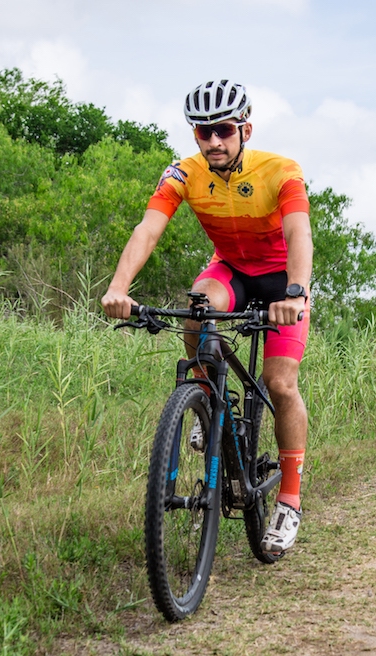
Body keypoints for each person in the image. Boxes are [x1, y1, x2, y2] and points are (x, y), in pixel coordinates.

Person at [101, 80, 312, 553]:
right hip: (231, 270)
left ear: (245, 129)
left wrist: (296, 293)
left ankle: (291, 498)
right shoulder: (182, 173)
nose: (213, 142)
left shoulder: (282, 171)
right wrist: (119, 288)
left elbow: (300, 232)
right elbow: (147, 229)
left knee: (279, 383)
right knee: (199, 301)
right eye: (203, 132)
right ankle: (205, 391)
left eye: (223, 130)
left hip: (282, 279)